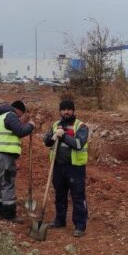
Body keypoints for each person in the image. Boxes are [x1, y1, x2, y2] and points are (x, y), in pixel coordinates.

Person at [43, 99, 89, 237]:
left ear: (73, 111)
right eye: (63, 109)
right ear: (60, 111)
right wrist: (53, 136)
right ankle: (59, 220)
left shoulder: (80, 126)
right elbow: (47, 142)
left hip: (75, 168)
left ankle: (80, 226)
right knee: (60, 195)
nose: (66, 112)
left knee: (78, 197)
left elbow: (78, 144)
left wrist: (63, 137)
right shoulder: (55, 125)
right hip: (58, 166)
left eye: (69, 109)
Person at [0, 100, 35, 222]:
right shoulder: (11, 115)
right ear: (18, 110)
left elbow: (10, 129)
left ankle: (1, 212)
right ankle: (9, 215)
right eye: (21, 114)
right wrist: (31, 125)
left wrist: (21, 123)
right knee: (8, 184)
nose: (20, 117)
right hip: (5, 157)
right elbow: (20, 131)